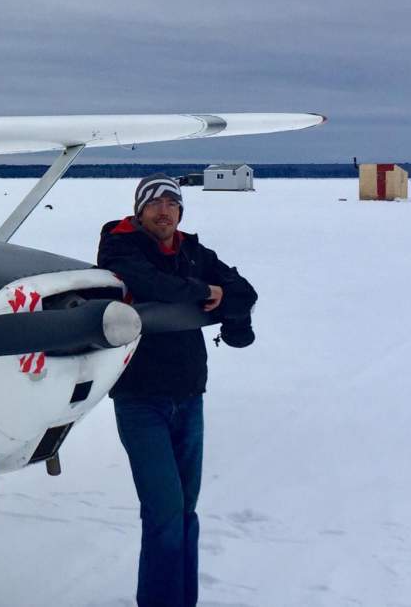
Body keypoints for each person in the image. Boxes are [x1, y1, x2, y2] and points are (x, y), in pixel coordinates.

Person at [96, 174, 256, 607]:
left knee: (185, 510)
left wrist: (226, 302)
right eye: (154, 203)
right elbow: (150, 285)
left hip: (188, 395)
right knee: (164, 510)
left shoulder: (193, 251)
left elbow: (245, 291)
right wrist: (206, 292)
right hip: (139, 397)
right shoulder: (119, 246)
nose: (164, 210)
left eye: (172, 203)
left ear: (181, 211)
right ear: (139, 211)